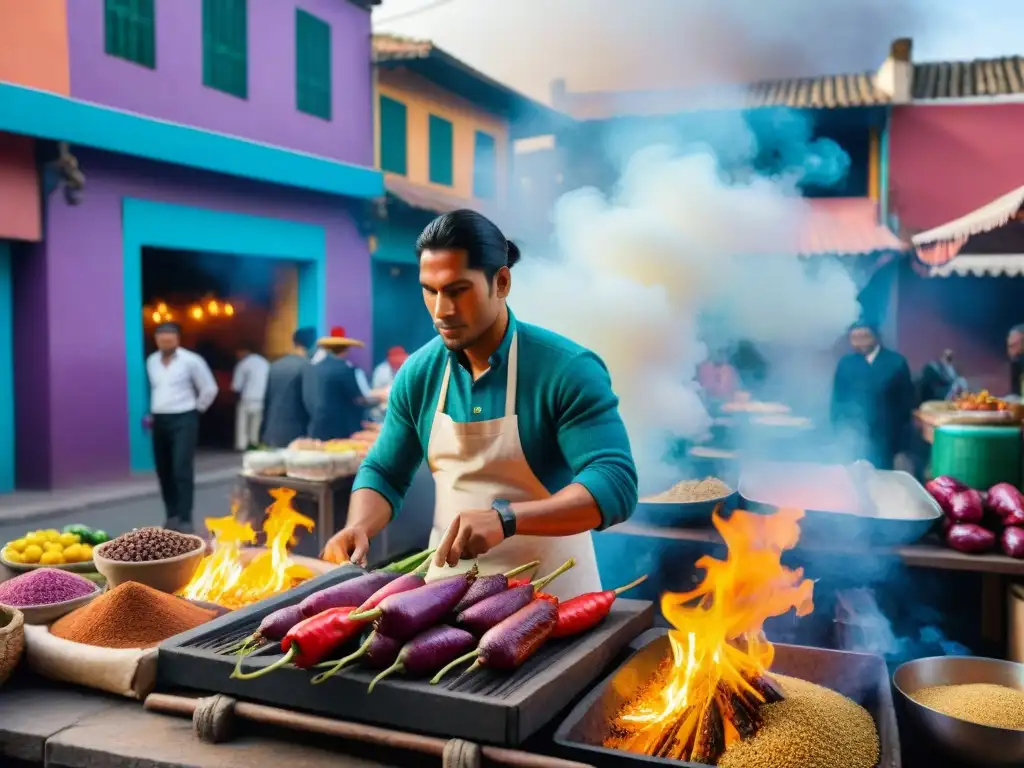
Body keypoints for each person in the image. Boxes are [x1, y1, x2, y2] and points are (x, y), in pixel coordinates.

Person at [322, 209, 639, 599]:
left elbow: (614, 482)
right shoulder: (419, 373)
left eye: (457, 290)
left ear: (501, 282)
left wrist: (506, 519)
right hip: (446, 599)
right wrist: (359, 525)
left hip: (553, 597)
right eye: (430, 290)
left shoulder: (567, 369)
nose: (441, 310)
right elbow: (385, 471)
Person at [145, 322, 218, 531]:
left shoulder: (191, 361)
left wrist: (196, 410)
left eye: (170, 338)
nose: (165, 342)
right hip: (159, 419)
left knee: (181, 468)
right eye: (161, 339)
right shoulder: (152, 361)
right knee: (163, 469)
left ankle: (185, 518)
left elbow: (209, 388)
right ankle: (172, 515)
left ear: (177, 339)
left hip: (184, 418)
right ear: (157, 340)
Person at [830, 322, 915, 470]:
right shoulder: (846, 363)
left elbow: (906, 403)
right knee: (852, 477)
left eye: (864, 336)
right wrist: (836, 431)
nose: (859, 342)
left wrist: (903, 445)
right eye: (854, 338)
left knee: (881, 478)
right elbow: (837, 399)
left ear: (876, 337)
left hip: (885, 434)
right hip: (852, 432)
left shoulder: (896, 362)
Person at [304, 327, 374, 440]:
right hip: (340, 429)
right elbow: (358, 398)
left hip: (317, 426)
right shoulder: (345, 369)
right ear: (346, 350)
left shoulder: (314, 368)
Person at [260, 327, 316, 448]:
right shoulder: (307, 367)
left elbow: (266, 400)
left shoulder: (275, 365)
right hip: (296, 435)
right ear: (312, 344)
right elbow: (311, 403)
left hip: (272, 432)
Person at [231, 345, 270, 451]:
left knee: (243, 424)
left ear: (244, 351)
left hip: (247, 398)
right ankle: (254, 443)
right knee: (256, 424)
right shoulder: (265, 363)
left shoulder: (243, 364)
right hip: (261, 398)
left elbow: (236, 386)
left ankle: (242, 445)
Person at [1008, 325, 1024, 399]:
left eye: (1014, 345)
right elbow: (1016, 394)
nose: (1010, 351)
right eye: (1009, 346)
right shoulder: (1016, 363)